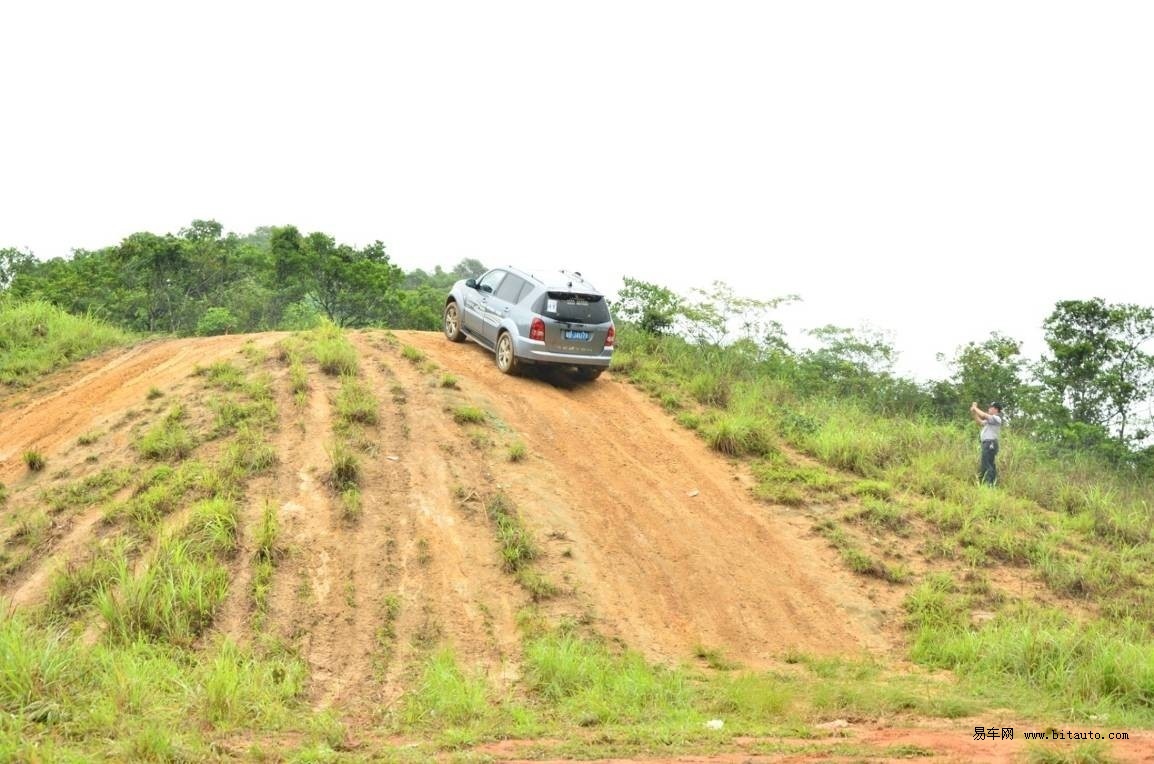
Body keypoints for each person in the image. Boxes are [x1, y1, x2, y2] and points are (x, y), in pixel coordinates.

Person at [970, 401, 1004, 485]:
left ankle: (989, 484)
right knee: (988, 463)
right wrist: (974, 413)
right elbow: (980, 422)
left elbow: (983, 415)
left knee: (987, 464)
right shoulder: (990, 421)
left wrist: (975, 408)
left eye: (990, 407)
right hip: (987, 443)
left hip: (990, 443)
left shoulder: (996, 418)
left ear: (996, 409)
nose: (988, 409)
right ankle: (989, 483)